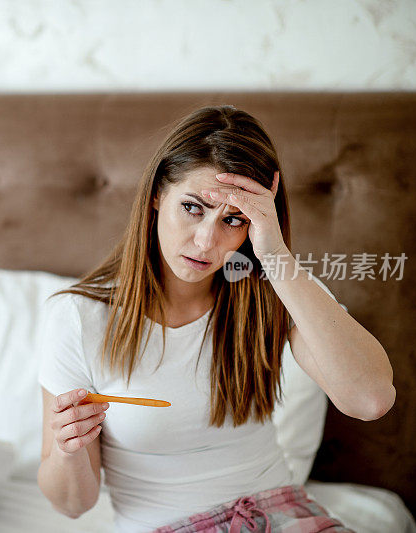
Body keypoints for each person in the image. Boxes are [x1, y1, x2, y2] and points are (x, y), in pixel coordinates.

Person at [36, 105, 396, 533]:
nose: (207, 241)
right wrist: (68, 447)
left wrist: (277, 258)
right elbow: (74, 505)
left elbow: (371, 400)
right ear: (156, 195)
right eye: (192, 207)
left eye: (233, 220)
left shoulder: (272, 289)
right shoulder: (78, 317)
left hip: (281, 515)